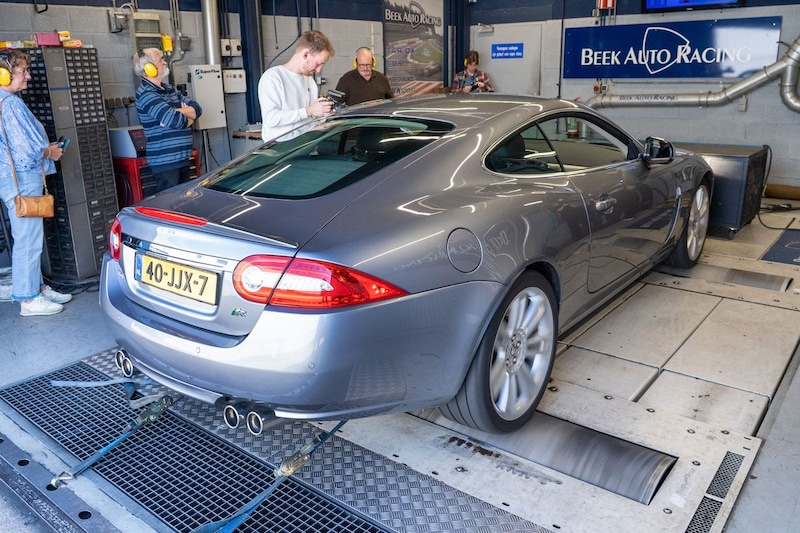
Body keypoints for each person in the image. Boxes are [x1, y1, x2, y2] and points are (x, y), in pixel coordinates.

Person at [0, 49, 73, 316]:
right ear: (3, 74)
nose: (28, 76)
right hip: (22, 179)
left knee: (29, 237)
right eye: (23, 71)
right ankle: (29, 300)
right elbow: (25, 151)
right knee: (28, 239)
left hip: (13, 179)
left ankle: (37, 287)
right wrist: (49, 151)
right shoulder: (10, 104)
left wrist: (43, 148)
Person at [134, 48, 202, 193]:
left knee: (185, 205)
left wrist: (178, 111)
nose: (165, 62)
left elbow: (197, 109)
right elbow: (177, 121)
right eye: (160, 60)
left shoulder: (169, 89)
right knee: (172, 208)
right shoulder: (146, 94)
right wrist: (186, 116)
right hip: (166, 164)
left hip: (182, 158)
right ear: (149, 68)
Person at [258, 30, 336, 141]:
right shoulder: (273, 78)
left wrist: (323, 114)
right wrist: (309, 111)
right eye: (318, 63)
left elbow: (309, 119)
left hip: (304, 145)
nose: (318, 70)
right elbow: (271, 118)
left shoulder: (309, 81)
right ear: (306, 55)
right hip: (280, 151)